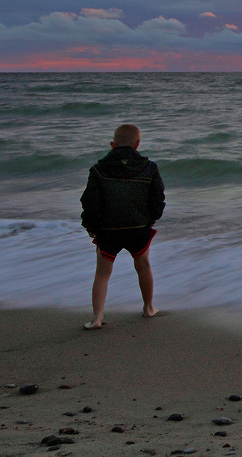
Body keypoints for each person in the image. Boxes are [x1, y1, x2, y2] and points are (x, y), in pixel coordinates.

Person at [80, 123, 165, 329]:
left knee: (102, 272)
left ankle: (97, 317)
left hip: (108, 229)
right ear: (137, 144)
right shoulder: (149, 167)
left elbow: (90, 201)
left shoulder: (98, 170)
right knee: (143, 264)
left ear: (112, 144)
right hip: (138, 227)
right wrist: (152, 219)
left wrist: (90, 226)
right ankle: (148, 307)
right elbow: (157, 198)